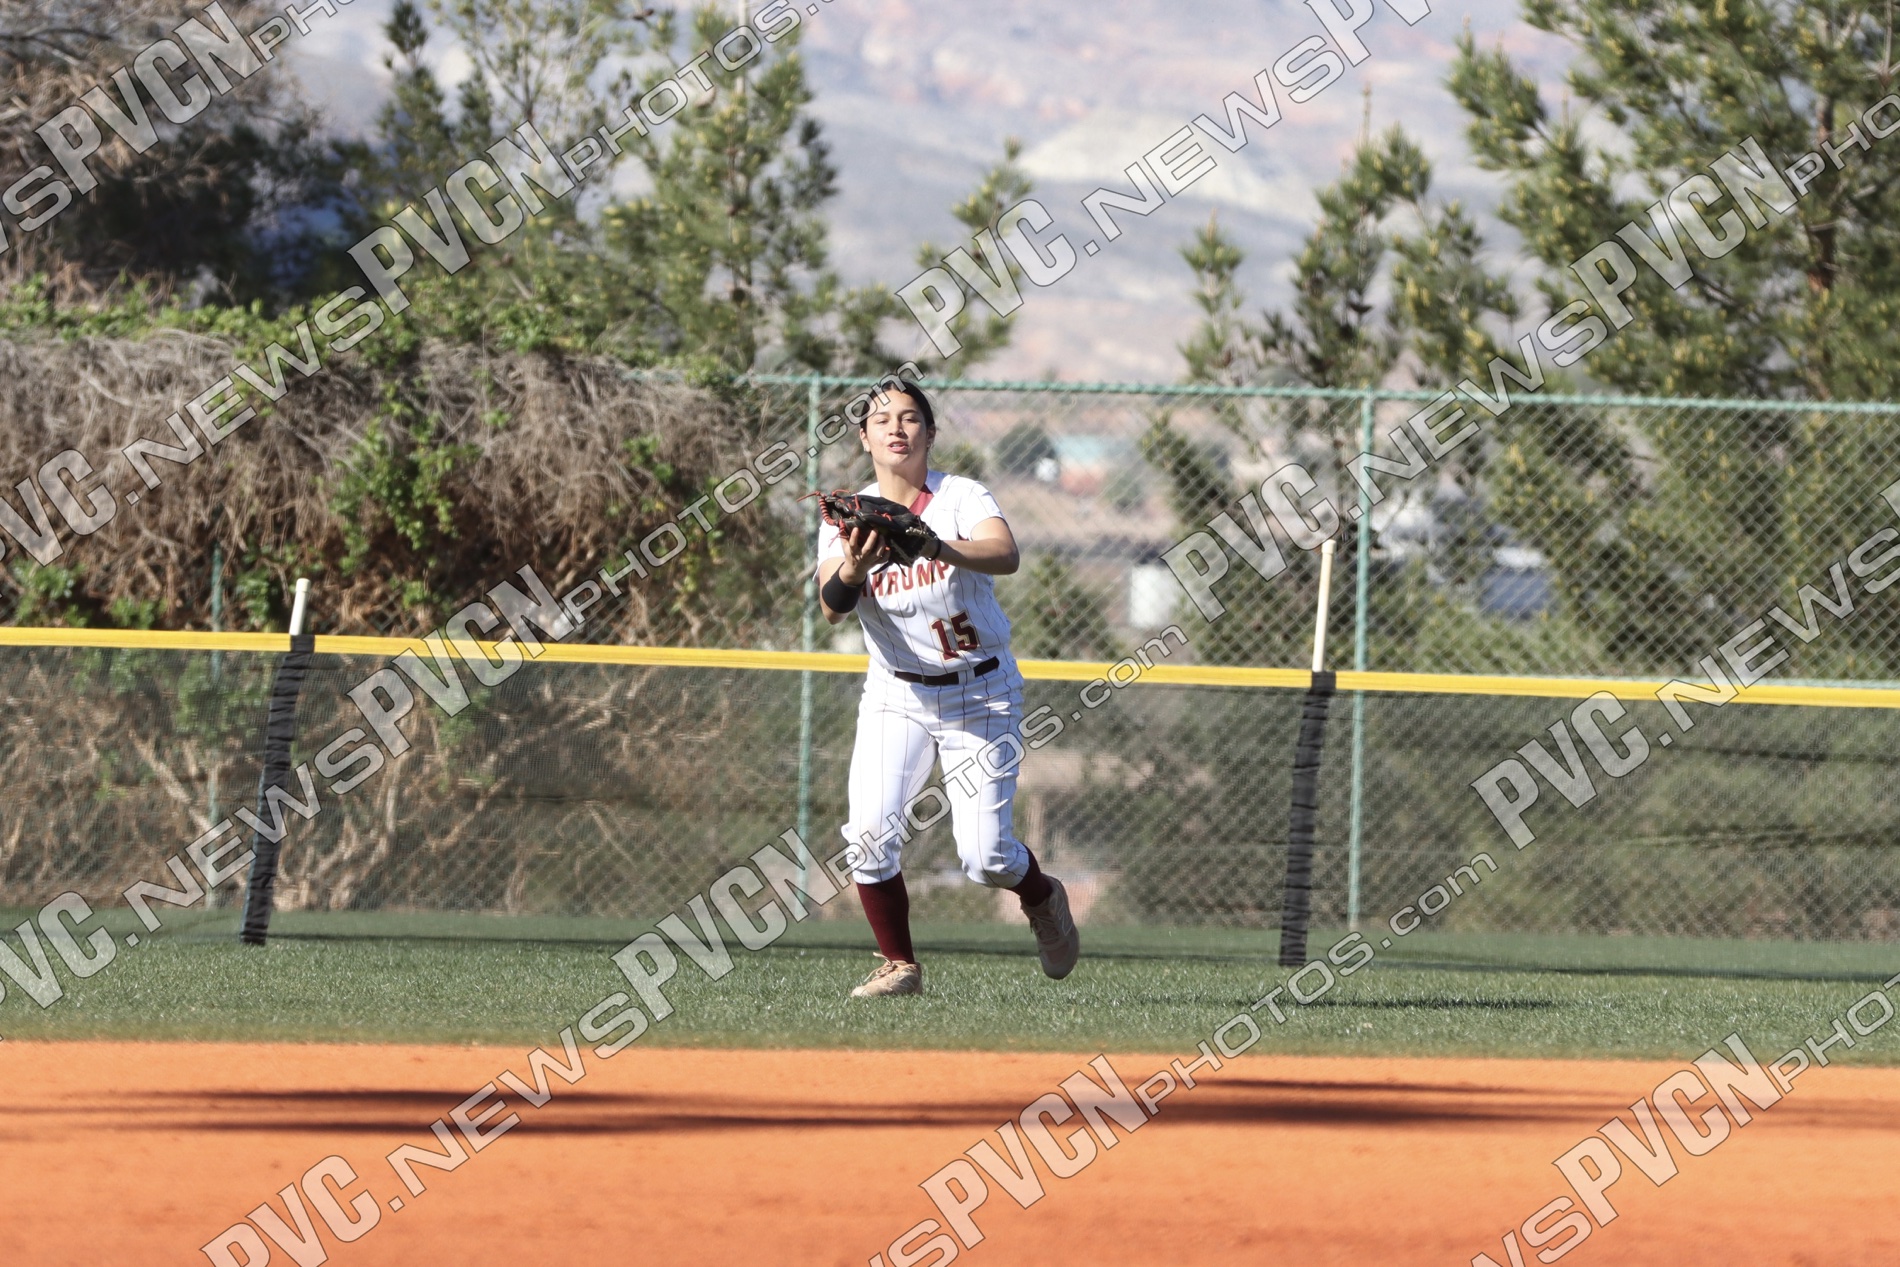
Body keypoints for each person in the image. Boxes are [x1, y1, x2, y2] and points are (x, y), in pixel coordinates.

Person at [816, 382, 1079, 998]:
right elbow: (832, 605)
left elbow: (1005, 553)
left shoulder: (960, 496)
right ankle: (899, 966)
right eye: (881, 419)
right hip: (897, 695)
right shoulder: (848, 518)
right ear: (864, 438)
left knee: (986, 858)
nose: (896, 428)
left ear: (930, 434)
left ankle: (1043, 896)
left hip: (980, 693)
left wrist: (933, 545)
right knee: (868, 838)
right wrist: (855, 565)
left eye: (911, 418)